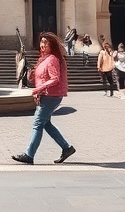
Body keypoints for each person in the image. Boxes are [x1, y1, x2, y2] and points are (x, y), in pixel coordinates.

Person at [11, 32, 76, 165]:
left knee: (37, 124)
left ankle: (29, 155)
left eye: (46, 43)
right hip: (47, 95)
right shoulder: (44, 59)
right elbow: (40, 79)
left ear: (52, 45)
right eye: (41, 42)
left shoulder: (52, 59)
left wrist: (38, 90)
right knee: (46, 124)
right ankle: (66, 148)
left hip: (51, 96)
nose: (43, 45)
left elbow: (55, 79)